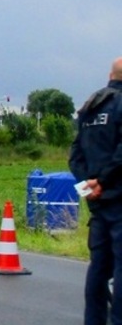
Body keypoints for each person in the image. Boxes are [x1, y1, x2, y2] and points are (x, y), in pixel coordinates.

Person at [69, 56, 122, 325]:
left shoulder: (90, 106)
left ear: (109, 75)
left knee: (99, 270)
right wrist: (103, 181)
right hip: (118, 198)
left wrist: (88, 188)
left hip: (98, 204)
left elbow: (75, 157)